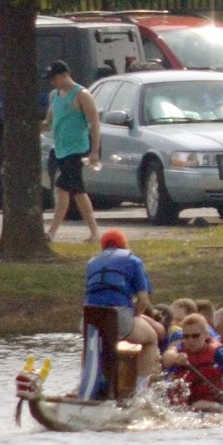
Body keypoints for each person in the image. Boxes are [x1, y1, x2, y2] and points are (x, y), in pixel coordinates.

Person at [83, 229, 162, 391]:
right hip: (117, 316)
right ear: (125, 245)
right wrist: (136, 315)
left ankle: (84, 383)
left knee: (90, 343)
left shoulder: (92, 262)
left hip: (88, 317)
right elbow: (143, 300)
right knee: (151, 339)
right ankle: (141, 391)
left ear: (103, 248)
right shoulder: (133, 260)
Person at [40, 60, 102, 242]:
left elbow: (94, 124)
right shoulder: (55, 95)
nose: (52, 82)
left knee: (63, 189)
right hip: (60, 149)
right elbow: (49, 120)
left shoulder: (82, 95)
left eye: (54, 78)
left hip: (77, 149)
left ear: (63, 75)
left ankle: (51, 232)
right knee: (75, 192)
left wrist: (94, 151)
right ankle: (93, 233)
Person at [162, 313, 223, 412]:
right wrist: (176, 358)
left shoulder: (218, 353)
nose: (190, 340)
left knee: (204, 406)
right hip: (183, 408)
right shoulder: (178, 349)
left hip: (215, 406)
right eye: (186, 336)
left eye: (195, 336)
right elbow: (166, 357)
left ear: (206, 335)